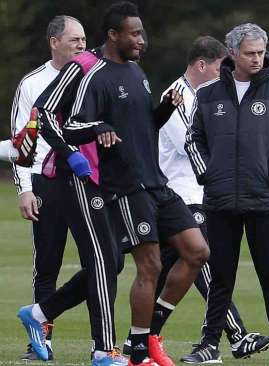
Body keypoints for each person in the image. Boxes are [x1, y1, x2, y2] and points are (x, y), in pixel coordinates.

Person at [62, 3, 210, 366]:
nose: (141, 40)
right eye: (134, 33)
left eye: (142, 33)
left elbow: (144, 128)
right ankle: (139, 353)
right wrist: (99, 128)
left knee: (197, 252)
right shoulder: (96, 75)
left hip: (156, 182)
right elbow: (72, 126)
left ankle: (147, 332)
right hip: (125, 186)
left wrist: (163, 110)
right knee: (151, 266)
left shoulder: (138, 73)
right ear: (113, 35)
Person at [124, 35, 269, 364]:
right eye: (222, 66)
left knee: (163, 269)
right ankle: (236, 334)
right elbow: (188, 145)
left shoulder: (210, 96)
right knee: (201, 257)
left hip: (196, 193)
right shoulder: (175, 95)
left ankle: (136, 340)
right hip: (182, 192)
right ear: (202, 65)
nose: (227, 73)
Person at [186, 22, 269, 365]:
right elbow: (194, 138)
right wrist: (207, 173)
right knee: (220, 277)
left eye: (261, 52)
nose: (257, 59)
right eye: (250, 53)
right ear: (233, 54)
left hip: (264, 200)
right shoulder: (209, 94)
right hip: (220, 200)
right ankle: (209, 345)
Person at [10, 15, 87, 361]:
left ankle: (104, 343)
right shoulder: (32, 84)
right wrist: (24, 188)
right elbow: (20, 142)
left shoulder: (92, 76)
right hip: (45, 182)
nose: (82, 46)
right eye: (75, 40)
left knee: (101, 264)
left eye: (84, 40)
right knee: (48, 265)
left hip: (88, 182)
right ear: (54, 42)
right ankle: (41, 340)